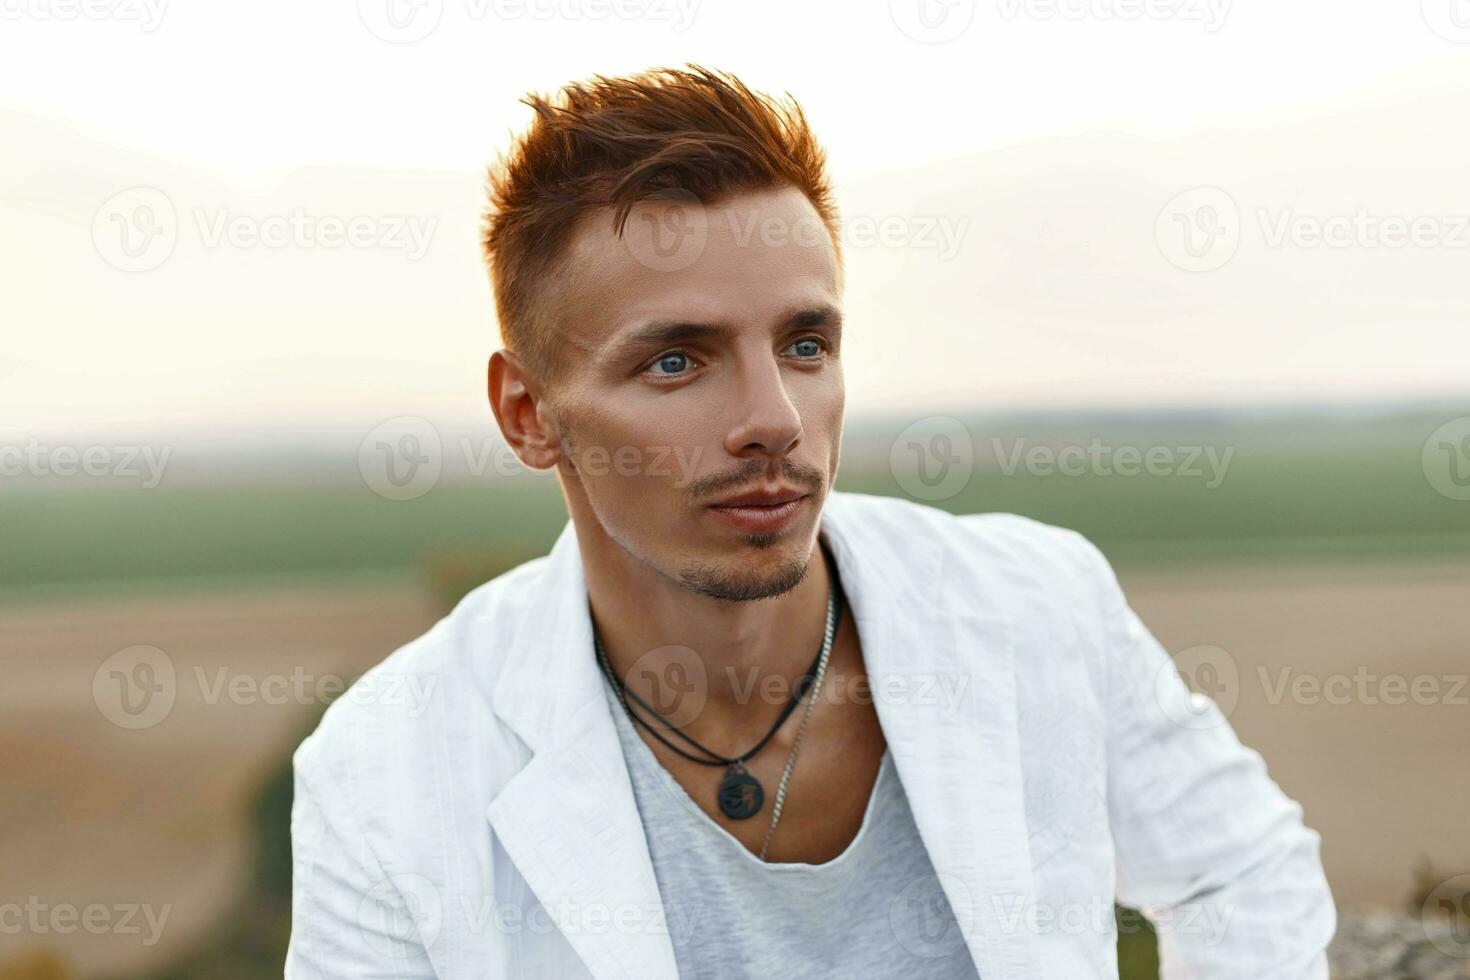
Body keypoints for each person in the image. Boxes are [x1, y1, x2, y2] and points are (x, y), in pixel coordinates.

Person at [286, 64, 1336, 978]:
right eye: (675, 360)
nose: (772, 422)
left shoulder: (1034, 601)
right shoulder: (387, 773)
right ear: (528, 414)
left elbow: (1241, 870)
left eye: (803, 344)